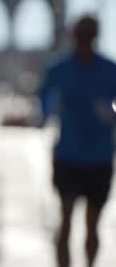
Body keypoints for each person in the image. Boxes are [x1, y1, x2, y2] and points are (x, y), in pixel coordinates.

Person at [38, 15, 116, 267]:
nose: (85, 40)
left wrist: (111, 111)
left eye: (89, 35)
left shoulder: (109, 69)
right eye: (82, 35)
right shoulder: (59, 69)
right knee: (66, 220)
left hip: (100, 158)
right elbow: (44, 101)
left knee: (93, 225)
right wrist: (48, 112)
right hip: (68, 156)